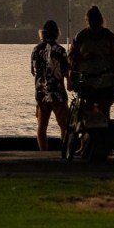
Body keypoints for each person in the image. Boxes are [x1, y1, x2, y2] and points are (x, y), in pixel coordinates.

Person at [67, 5, 114, 106]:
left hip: (96, 83)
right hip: (92, 84)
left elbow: (71, 58)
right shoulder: (108, 36)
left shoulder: (82, 36)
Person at [29, 20, 70, 150]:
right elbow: (65, 72)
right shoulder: (60, 50)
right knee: (64, 126)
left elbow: (33, 71)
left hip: (41, 93)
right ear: (57, 33)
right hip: (57, 92)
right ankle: (64, 150)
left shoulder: (36, 50)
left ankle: (43, 152)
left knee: (42, 126)